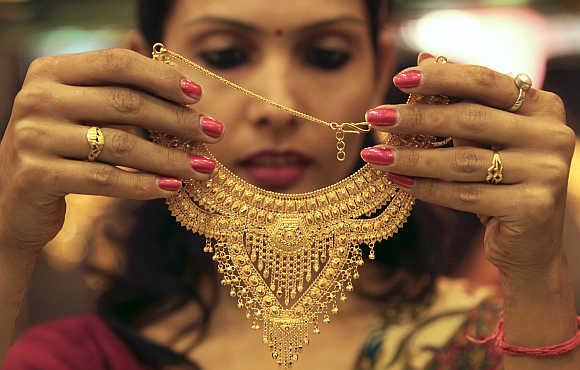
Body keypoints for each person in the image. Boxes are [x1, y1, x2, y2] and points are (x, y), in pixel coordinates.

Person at [0, 0, 578, 369]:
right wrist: (7, 246)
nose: (278, 105)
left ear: (380, 68)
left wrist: (537, 275)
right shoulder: (75, 359)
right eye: (225, 55)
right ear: (143, 71)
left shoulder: (487, 342)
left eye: (326, 55)